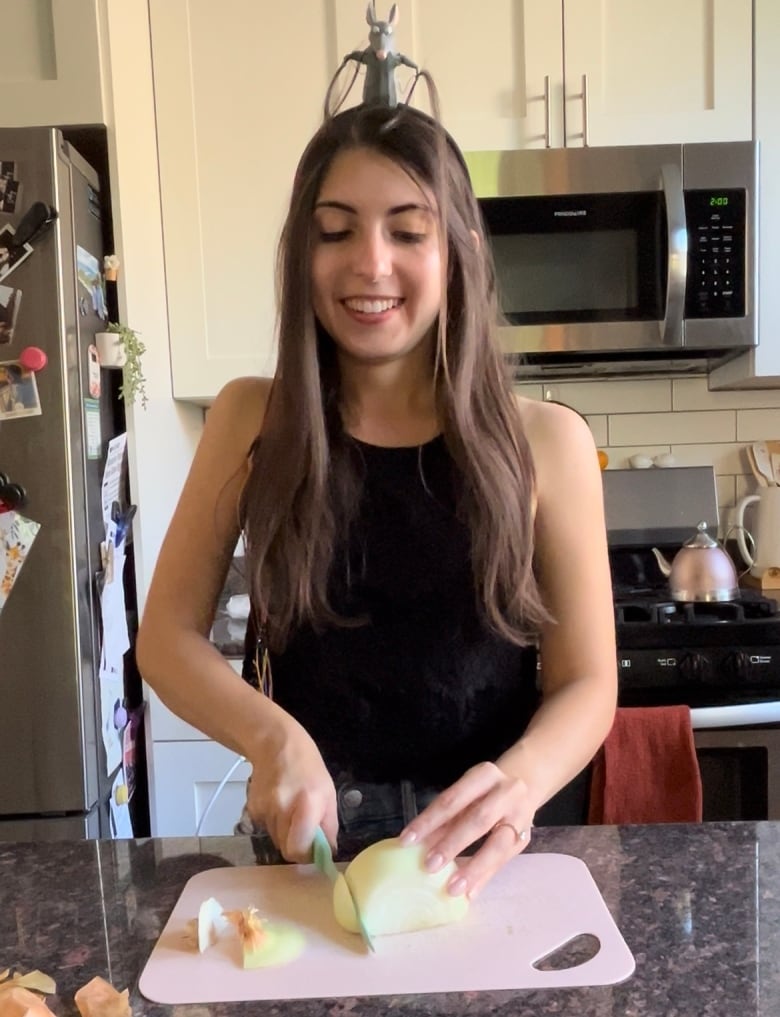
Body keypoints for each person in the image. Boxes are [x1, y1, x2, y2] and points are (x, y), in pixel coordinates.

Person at [136, 100, 617, 902]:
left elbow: (588, 680)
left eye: (406, 229)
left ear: (459, 249)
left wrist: (519, 781)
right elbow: (165, 638)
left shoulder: (550, 441)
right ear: (303, 254)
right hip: (310, 855)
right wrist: (271, 738)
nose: (370, 262)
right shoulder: (251, 418)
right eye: (336, 230)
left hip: (493, 860)